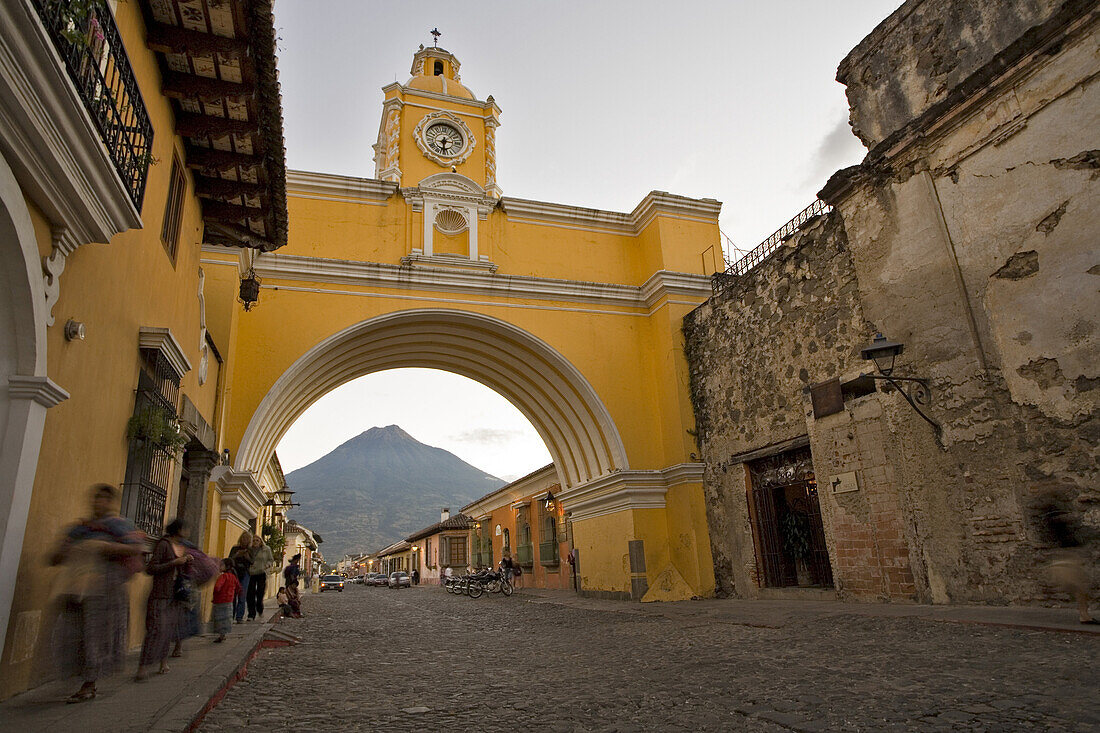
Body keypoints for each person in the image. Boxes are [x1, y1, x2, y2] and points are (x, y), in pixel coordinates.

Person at [49, 483, 144, 703]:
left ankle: (89, 683)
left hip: (105, 589)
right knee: (72, 632)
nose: (98, 502)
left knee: (95, 635)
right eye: (95, 498)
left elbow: (135, 549)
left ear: (111, 502)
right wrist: (69, 550)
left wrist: (102, 547)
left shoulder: (119, 526)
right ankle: (80, 675)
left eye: (103, 499)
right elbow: (55, 556)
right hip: (74, 587)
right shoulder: (79, 529)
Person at [136, 518, 192, 680]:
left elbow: (181, 572)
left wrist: (186, 562)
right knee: (154, 630)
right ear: (178, 530)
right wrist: (174, 562)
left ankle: (163, 662)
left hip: (175, 594)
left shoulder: (181, 547)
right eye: (185, 529)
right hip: (160, 593)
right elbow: (151, 568)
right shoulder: (163, 545)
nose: (187, 532)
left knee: (167, 630)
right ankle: (143, 666)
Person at [1036, 492, 1097, 623]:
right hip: (1066, 558)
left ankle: (1084, 615)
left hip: (1067, 556)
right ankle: (1084, 615)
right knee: (1081, 587)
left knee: (1080, 587)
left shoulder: (1053, 519)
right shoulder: (1054, 518)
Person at [211, 558, 241, 643]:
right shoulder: (233, 577)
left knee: (219, 618)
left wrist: (216, 593)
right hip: (229, 600)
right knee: (226, 618)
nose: (219, 567)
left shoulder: (223, 576)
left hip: (220, 600)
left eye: (221, 565)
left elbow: (217, 587)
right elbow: (239, 587)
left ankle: (221, 635)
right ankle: (223, 635)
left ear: (227, 567)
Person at [247, 534, 274, 621]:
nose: (255, 542)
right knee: (250, 594)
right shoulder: (249, 550)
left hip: (262, 572)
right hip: (251, 573)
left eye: (257, 540)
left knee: (260, 592)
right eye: (253, 540)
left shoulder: (266, 550)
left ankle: (259, 608)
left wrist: (268, 565)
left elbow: (271, 560)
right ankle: (251, 614)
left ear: (261, 541)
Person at [228, 531, 253, 623]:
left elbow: (253, 562)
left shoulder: (251, 550)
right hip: (235, 573)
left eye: (247, 539)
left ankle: (239, 617)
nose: (244, 540)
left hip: (245, 573)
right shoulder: (235, 549)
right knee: (233, 595)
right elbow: (229, 560)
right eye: (243, 538)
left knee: (242, 595)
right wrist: (236, 555)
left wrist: (247, 557)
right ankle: (231, 615)